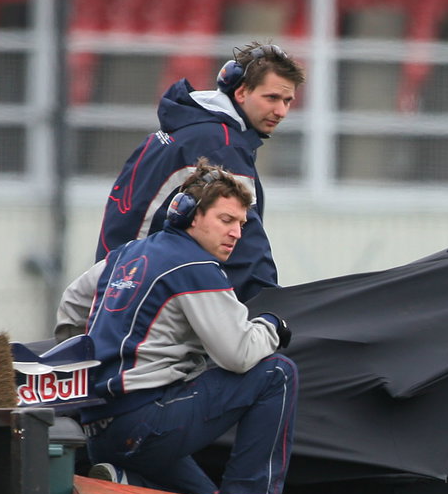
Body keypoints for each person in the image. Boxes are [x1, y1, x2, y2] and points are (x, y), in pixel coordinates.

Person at [58, 160, 297, 494]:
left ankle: (127, 481)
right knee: (278, 373)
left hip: (98, 431)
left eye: (241, 224)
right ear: (189, 215)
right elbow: (239, 354)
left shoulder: (124, 255)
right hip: (147, 424)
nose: (237, 233)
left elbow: (71, 304)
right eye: (226, 220)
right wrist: (272, 326)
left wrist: (83, 363)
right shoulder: (196, 265)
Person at [97, 42, 305, 301]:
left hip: (119, 284)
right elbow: (244, 244)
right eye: (271, 98)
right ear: (241, 93)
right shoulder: (222, 144)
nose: (281, 111)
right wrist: (269, 307)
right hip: (145, 293)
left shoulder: (190, 126)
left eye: (287, 101)